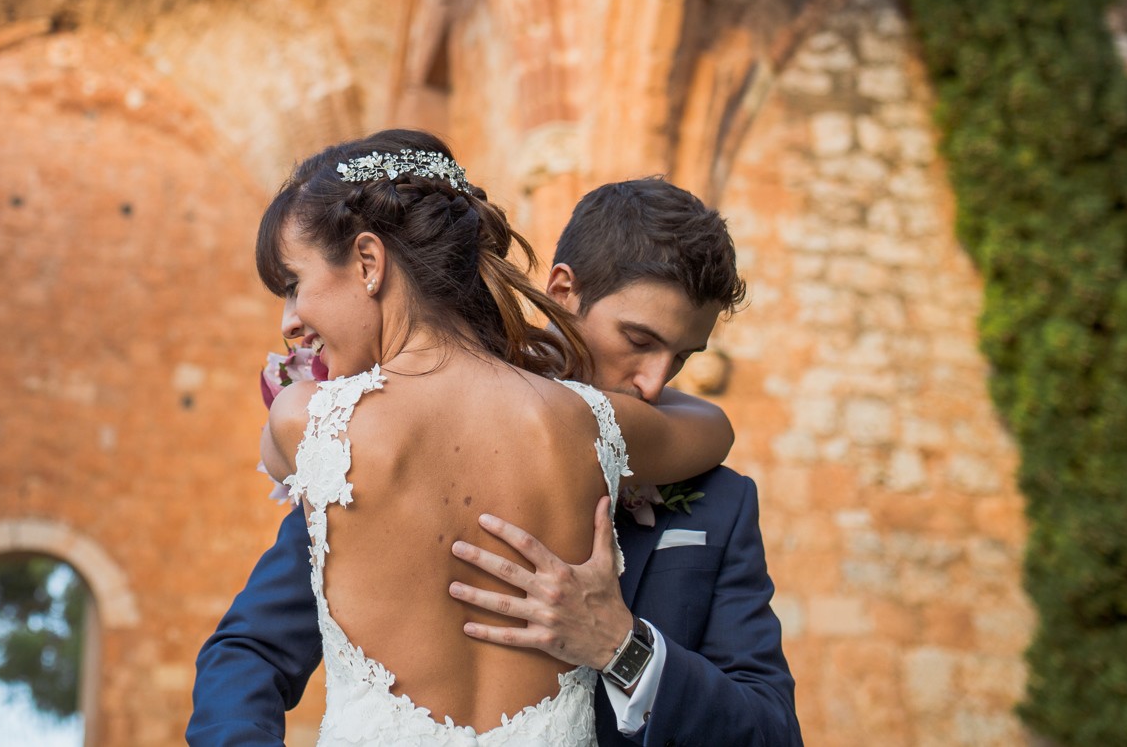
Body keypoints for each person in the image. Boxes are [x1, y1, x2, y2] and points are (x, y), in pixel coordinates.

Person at [188, 168, 802, 747]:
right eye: (638, 341)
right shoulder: (382, 439)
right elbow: (251, 653)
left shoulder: (718, 503)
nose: (653, 382)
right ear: (562, 291)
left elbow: (772, 731)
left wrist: (624, 646)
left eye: (683, 360)